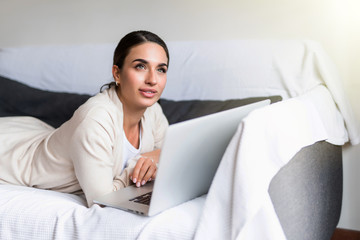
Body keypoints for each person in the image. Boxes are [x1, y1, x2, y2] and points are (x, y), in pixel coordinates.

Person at [0, 30, 170, 207]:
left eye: (161, 69)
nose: (152, 79)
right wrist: (138, 167)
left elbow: (167, 155)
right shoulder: (95, 120)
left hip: (37, 133)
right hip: (10, 158)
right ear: (117, 73)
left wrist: (158, 156)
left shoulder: (153, 112)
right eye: (140, 66)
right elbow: (102, 202)